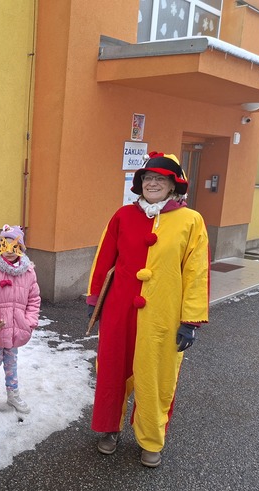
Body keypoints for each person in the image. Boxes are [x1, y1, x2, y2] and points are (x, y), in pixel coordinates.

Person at [86, 152, 209, 468]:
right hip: (119, 309)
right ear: (140, 184)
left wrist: (190, 320)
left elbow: (196, 272)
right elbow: (104, 258)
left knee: (156, 376)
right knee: (112, 370)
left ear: (173, 185)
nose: (153, 183)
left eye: (160, 179)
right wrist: (95, 300)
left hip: (163, 314)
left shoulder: (191, 221)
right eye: (148, 179)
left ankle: (151, 439)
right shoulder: (122, 216)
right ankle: (110, 429)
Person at [0, 225, 41, 414]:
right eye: (5, 245)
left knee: (11, 363)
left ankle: (13, 394)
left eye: (14, 246)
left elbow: (34, 299)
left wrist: (29, 322)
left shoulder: (28, 272)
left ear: (21, 248)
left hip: (17, 328)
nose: (9, 250)